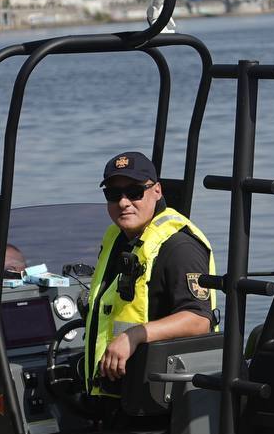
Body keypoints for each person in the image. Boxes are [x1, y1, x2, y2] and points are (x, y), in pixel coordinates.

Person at [84, 151, 217, 398]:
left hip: (159, 398)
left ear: (157, 191)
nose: (123, 202)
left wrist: (133, 336)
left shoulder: (179, 247)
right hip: (116, 392)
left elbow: (199, 320)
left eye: (134, 192)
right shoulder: (119, 238)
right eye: (113, 194)